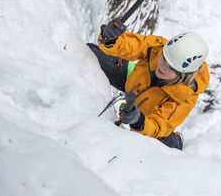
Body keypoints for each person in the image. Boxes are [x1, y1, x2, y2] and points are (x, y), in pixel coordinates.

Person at [87, 18, 210, 150]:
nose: (162, 66)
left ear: (183, 75)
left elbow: (158, 124)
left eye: (171, 68)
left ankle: (176, 140)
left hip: (148, 118)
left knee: (165, 144)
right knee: (89, 52)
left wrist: (138, 121)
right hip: (133, 83)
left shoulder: (184, 97)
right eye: (163, 58)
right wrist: (111, 39)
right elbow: (132, 45)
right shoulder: (158, 47)